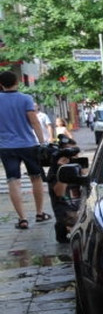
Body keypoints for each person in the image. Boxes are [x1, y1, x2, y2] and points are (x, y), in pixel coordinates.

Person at [0, 70, 48, 230]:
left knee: (13, 180)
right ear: (17, 82)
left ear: (1, 84)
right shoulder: (26, 99)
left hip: (6, 147)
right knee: (36, 178)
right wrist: (42, 142)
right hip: (28, 145)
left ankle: (22, 219)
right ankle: (40, 213)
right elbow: (34, 121)